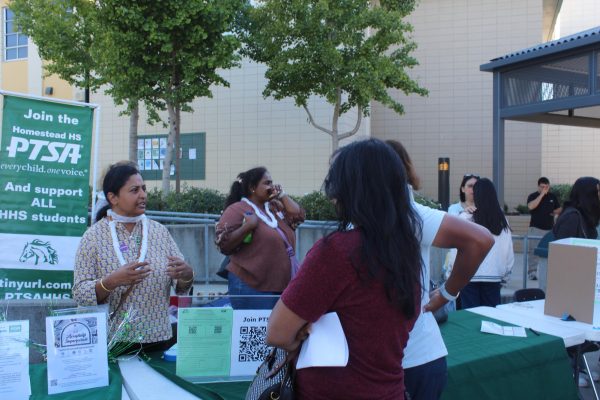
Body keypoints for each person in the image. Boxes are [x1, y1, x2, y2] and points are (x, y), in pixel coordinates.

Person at [266, 139, 493, 400]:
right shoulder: (407, 250)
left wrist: (299, 333)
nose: (331, 195)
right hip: (391, 387)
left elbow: (277, 332)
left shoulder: (336, 251)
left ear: (352, 189)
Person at [386, 140, 494, 400]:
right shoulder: (383, 214)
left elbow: (480, 240)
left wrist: (447, 293)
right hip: (391, 358)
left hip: (413, 358)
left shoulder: (409, 214)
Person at [73, 162, 194, 353]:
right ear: (112, 197)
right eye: (134, 190)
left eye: (144, 189)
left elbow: (181, 286)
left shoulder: (159, 231)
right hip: (113, 342)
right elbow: (80, 292)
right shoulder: (93, 236)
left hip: (158, 338)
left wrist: (186, 274)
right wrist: (111, 282)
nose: (143, 195)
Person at [215, 167, 305, 309]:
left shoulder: (274, 207)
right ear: (252, 187)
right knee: (258, 330)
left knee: (276, 330)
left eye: (271, 182)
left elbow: (298, 216)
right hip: (249, 285)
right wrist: (247, 227)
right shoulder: (237, 209)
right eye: (267, 183)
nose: (271, 187)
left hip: (281, 285)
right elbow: (223, 244)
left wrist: (282, 195)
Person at [458, 178, 514, 308]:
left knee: (470, 318)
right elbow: (508, 251)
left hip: (469, 276)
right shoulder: (502, 220)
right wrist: (505, 275)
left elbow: (457, 250)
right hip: (494, 277)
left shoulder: (465, 218)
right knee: (491, 319)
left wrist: (451, 273)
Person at [526, 177, 561, 280]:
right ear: (538, 186)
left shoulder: (552, 197)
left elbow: (558, 208)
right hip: (536, 228)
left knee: (549, 251)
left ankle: (549, 272)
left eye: (547, 187)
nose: (545, 189)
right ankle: (532, 272)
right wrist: (541, 195)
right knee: (533, 250)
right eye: (542, 187)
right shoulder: (533, 196)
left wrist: (555, 212)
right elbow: (531, 206)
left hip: (549, 229)